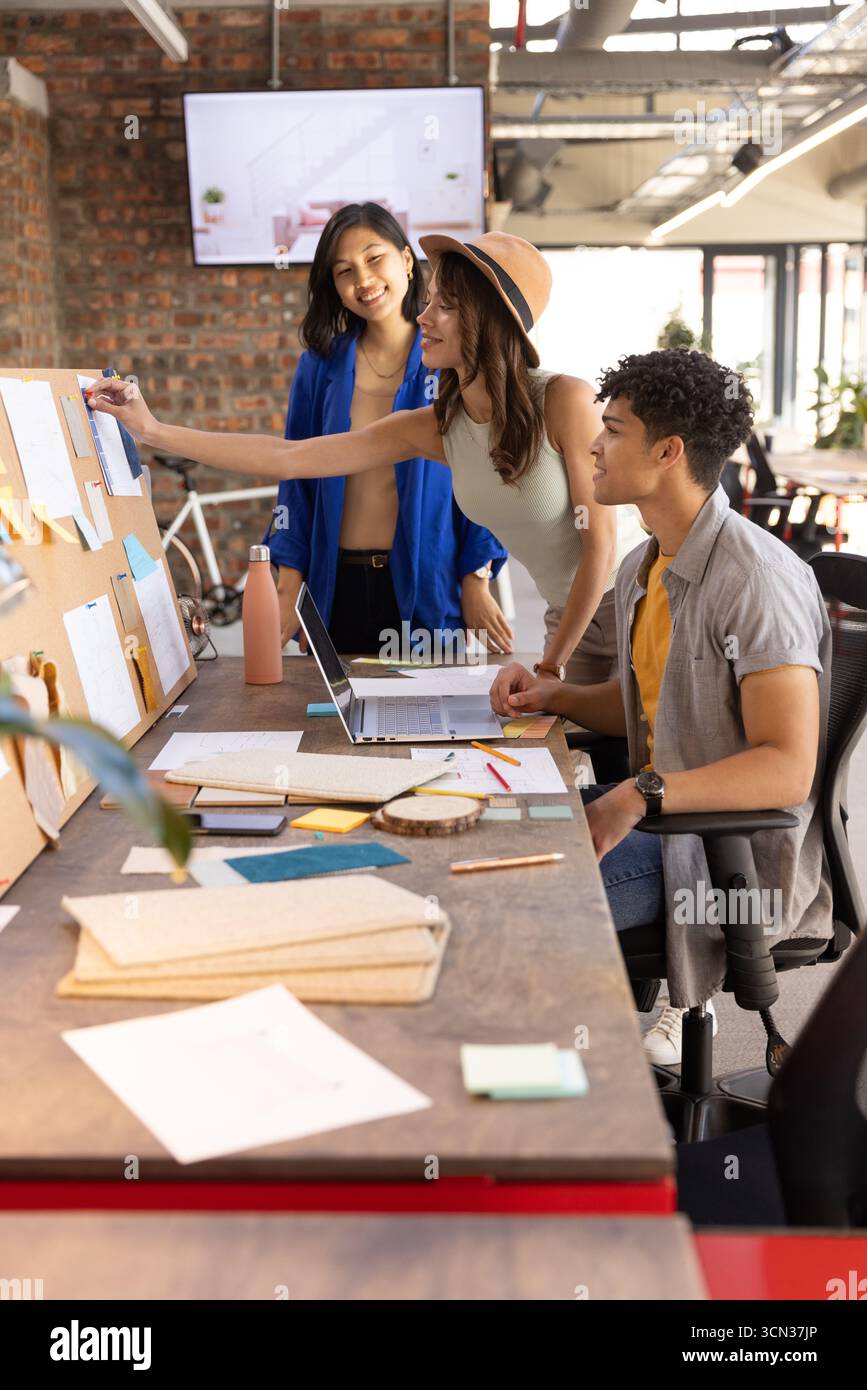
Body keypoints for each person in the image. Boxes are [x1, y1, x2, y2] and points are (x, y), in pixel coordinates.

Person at [85, 232, 644, 683]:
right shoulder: (436, 429)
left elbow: (601, 543)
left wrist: (549, 665)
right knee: (579, 770)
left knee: (630, 771)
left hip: (633, 606)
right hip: (565, 613)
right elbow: (289, 458)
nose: (424, 317)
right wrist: (151, 429)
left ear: (488, 324)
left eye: (444, 306)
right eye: (429, 301)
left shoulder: (563, 399)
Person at [488, 349, 832, 1064]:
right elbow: (652, 705)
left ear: (667, 451)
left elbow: (785, 770)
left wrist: (638, 794)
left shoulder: (753, 582)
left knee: (507, 911)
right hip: (666, 825)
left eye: (611, 430)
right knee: (488, 846)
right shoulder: (647, 564)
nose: (591, 444)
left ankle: (543, 1106)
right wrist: (557, 697)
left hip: (722, 861)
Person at [267, 203, 510, 657]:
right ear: (334, 288)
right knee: (331, 722)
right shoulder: (318, 367)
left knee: (427, 719)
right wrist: (287, 587)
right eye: (344, 271)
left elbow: (482, 472)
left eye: (374, 259)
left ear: (405, 260)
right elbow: (294, 480)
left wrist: (477, 577)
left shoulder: (452, 361)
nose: (363, 279)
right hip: (337, 586)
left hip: (426, 581)